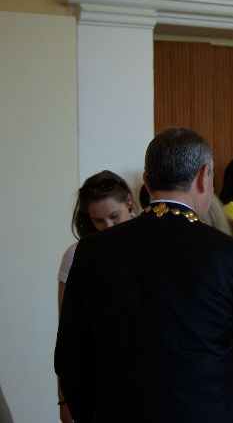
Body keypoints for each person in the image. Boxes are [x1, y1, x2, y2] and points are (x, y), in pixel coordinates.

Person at [55, 128, 233, 423]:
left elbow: (70, 357)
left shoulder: (91, 251)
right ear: (204, 177)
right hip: (206, 411)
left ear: (147, 182)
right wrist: (214, 376)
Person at [56, 170, 135, 423]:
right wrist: (64, 399)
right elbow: (67, 333)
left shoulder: (150, 244)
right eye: (98, 221)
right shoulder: (78, 254)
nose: (108, 227)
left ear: (129, 202)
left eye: (114, 216)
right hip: (100, 380)